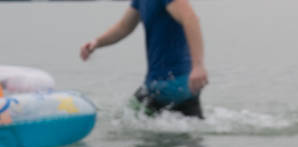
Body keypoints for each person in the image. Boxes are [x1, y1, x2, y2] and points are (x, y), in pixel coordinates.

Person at [80, 0, 208, 118]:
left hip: (175, 85)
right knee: (125, 120)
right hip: (159, 86)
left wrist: (198, 66)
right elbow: (124, 27)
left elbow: (190, 19)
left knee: (125, 124)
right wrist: (96, 43)